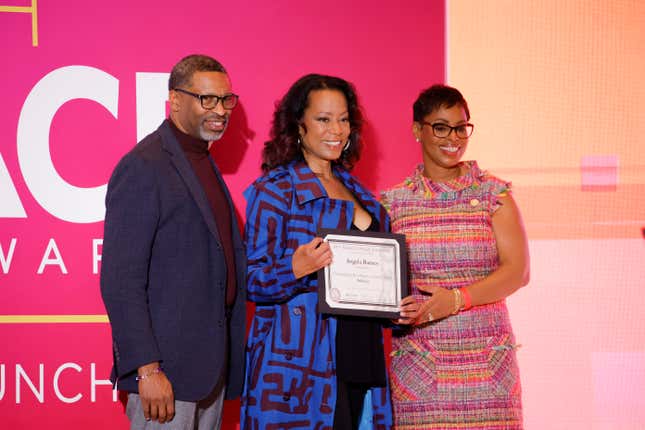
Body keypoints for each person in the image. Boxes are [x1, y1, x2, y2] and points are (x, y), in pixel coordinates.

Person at [100, 54, 246, 429]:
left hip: (208, 370)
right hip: (165, 374)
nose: (220, 110)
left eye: (226, 100)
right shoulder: (144, 165)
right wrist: (147, 370)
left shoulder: (201, 160)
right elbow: (120, 280)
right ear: (176, 100)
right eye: (207, 99)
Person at [241, 74, 393, 429]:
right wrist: (293, 268)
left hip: (362, 356)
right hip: (302, 365)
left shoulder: (361, 192)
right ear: (299, 125)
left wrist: (396, 309)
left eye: (343, 119)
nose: (336, 130)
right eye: (323, 119)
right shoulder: (276, 190)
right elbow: (249, 279)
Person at [382, 84, 530, 429]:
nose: (454, 137)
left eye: (461, 127)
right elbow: (385, 285)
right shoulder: (394, 203)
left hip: (487, 370)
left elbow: (518, 271)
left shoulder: (494, 193)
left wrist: (458, 299)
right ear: (417, 130)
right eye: (440, 127)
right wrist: (394, 313)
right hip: (421, 369)